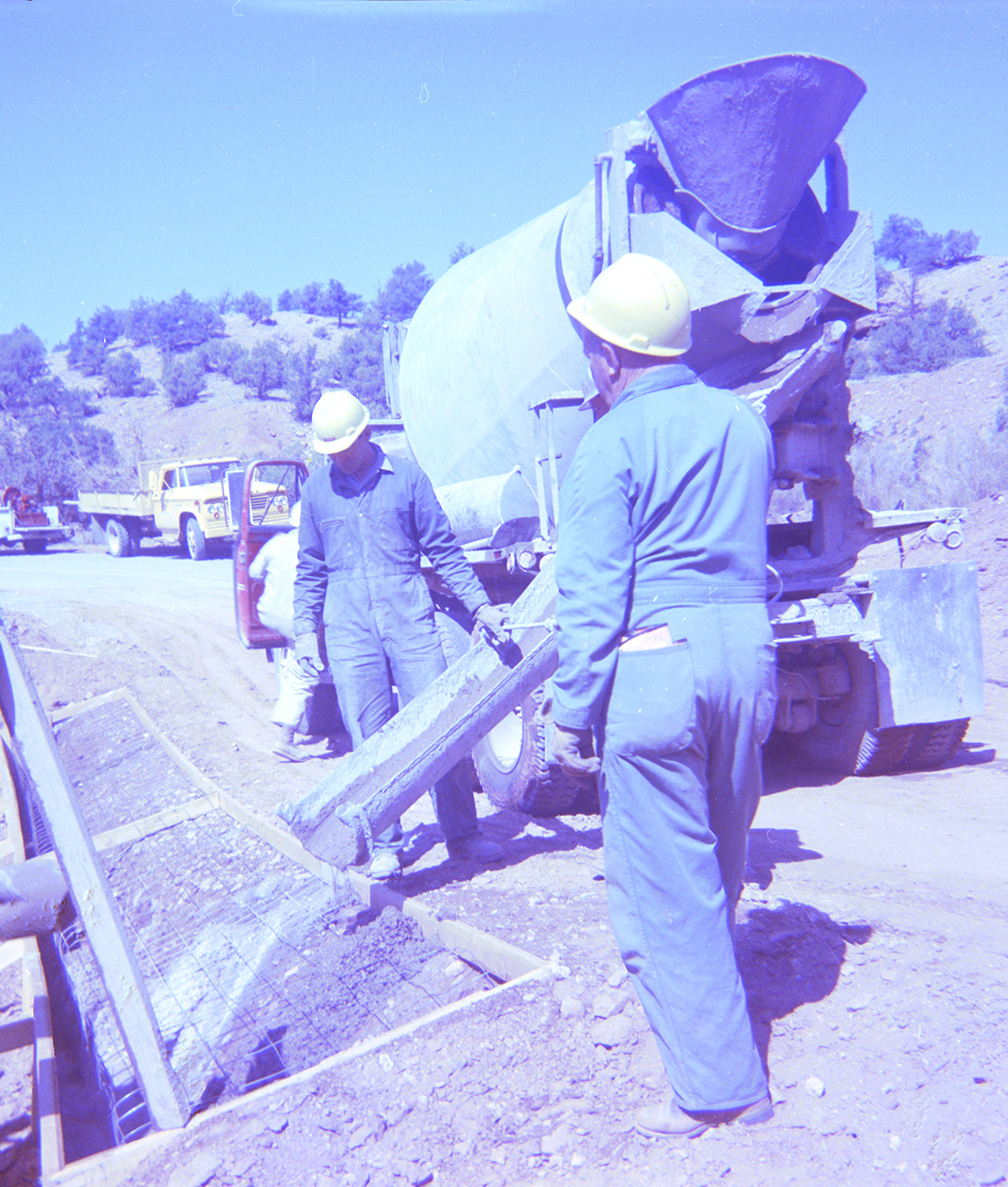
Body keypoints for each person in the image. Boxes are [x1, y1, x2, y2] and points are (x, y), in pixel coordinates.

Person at [550, 254, 777, 1137]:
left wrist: (573, 712)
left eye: (589, 348)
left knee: (666, 881)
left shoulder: (609, 440)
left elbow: (594, 594)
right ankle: (713, 1013)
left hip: (657, 669)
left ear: (611, 356)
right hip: (747, 657)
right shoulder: (743, 421)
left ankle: (721, 1088)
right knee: (720, 853)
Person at [293, 388, 510, 879]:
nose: (338, 460)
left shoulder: (408, 479)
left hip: (409, 616)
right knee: (370, 739)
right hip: (349, 626)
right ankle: (384, 843)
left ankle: (463, 833)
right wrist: (306, 631)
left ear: (366, 434)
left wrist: (480, 606)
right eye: (329, 453)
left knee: (439, 727)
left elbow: (444, 550)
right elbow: (309, 568)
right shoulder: (316, 492)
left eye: (344, 449)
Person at [248, 502, 322, 762]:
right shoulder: (319, 545)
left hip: (268, 615)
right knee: (305, 674)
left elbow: (253, 572)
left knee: (295, 662)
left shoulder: (276, 542)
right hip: (300, 621)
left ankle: (288, 678)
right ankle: (285, 740)